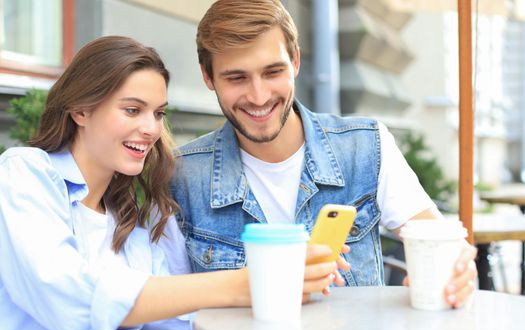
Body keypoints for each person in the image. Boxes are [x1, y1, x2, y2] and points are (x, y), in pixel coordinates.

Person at [0, 35, 343, 330]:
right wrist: (251, 282)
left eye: (158, 113)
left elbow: (191, 328)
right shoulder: (26, 174)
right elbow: (69, 300)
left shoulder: (133, 226)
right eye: (132, 110)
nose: (151, 129)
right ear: (81, 110)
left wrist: (290, 290)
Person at [162, 0, 478, 309]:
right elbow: (169, 315)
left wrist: (457, 270)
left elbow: (436, 241)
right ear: (207, 76)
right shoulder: (180, 174)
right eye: (236, 77)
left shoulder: (365, 146)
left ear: (296, 62)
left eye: (272, 72)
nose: (258, 96)